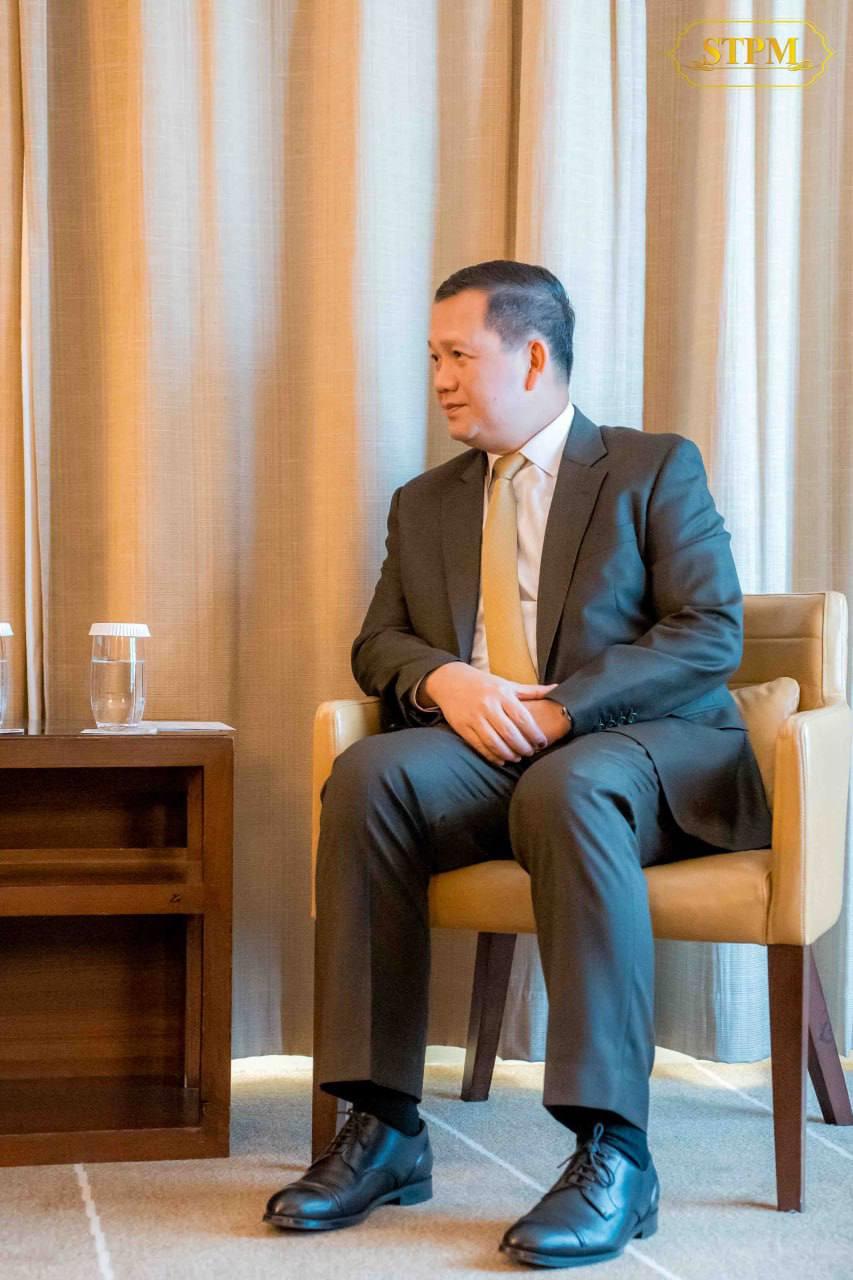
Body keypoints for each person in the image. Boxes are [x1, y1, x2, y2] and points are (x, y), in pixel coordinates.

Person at [263, 260, 772, 1268]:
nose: (440, 380)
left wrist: (564, 708)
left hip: (644, 752)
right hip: (492, 755)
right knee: (369, 777)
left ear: (533, 357)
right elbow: (379, 645)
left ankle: (613, 1152)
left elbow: (708, 631)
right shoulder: (425, 502)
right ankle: (383, 1128)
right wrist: (445, 679)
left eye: (458, 355)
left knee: (567, 783)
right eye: (432, 358)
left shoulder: (651, 467)